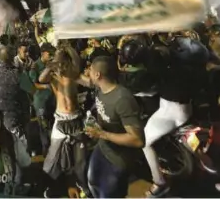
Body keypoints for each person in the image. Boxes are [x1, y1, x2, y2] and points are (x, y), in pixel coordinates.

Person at [142, 37, 208, 197]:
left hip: (170, 112)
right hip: (186, 109)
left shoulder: (172, 70)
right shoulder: (199, 71)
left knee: (144, 142)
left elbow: (153, 73)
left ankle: (159, 182)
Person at [81, 56, 145, 198]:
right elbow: (76, 77)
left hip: (118, 159)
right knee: (92, 181)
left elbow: (137, 140)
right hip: (103, 148)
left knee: (108, 194)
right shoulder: (100, 88)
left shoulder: (122, 99)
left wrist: (102, 134)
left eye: (90, 69)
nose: (87, 72)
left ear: (98, 75)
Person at [39, 45, 90, 197]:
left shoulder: (73, 75)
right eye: (58, 61)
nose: (60, 64)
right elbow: (41, 79)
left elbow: (90, 83)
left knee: (81, 161)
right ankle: (50, 187)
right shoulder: (53, 75)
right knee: (52, 160)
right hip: (60, 121)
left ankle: (82, 186)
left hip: (76, 120)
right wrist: (50, 67)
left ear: (68, 61)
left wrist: (68, 48)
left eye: (63, 61)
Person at [29, 42, 56, 155]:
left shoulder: (52, 65)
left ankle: (54, 149)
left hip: (52, 100)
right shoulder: (35, 66)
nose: (51, 56)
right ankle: (46, 150)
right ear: (43, 53)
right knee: (43, 127)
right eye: (49, 54)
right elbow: (32, 84)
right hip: (41, 102)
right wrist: (45, 86)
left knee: (53, 124)